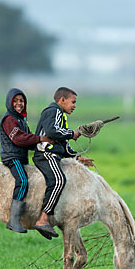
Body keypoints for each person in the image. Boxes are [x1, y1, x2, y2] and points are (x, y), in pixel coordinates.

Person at [32, 87, 94, 239]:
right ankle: (43, 219)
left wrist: (77, 157)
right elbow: (52, 132)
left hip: (54, 154)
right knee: (59, 180)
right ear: (62, 100)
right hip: (45, 154)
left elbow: (63, 145)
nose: (74, 106)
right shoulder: (53, 111)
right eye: (73, 102)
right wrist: (72, 133)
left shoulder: (61, 116)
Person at [0, 87, 54, 234]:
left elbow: (29, 139)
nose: (19, 103)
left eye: (22, 100)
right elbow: (19, 139)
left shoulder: (21, 120)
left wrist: (45, 145)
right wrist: (40, 138)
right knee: (22, 181)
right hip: (12, 157)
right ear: (10, 103)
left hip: (21, 157)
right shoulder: (9, 119)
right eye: (16, 101)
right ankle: (13, 219)